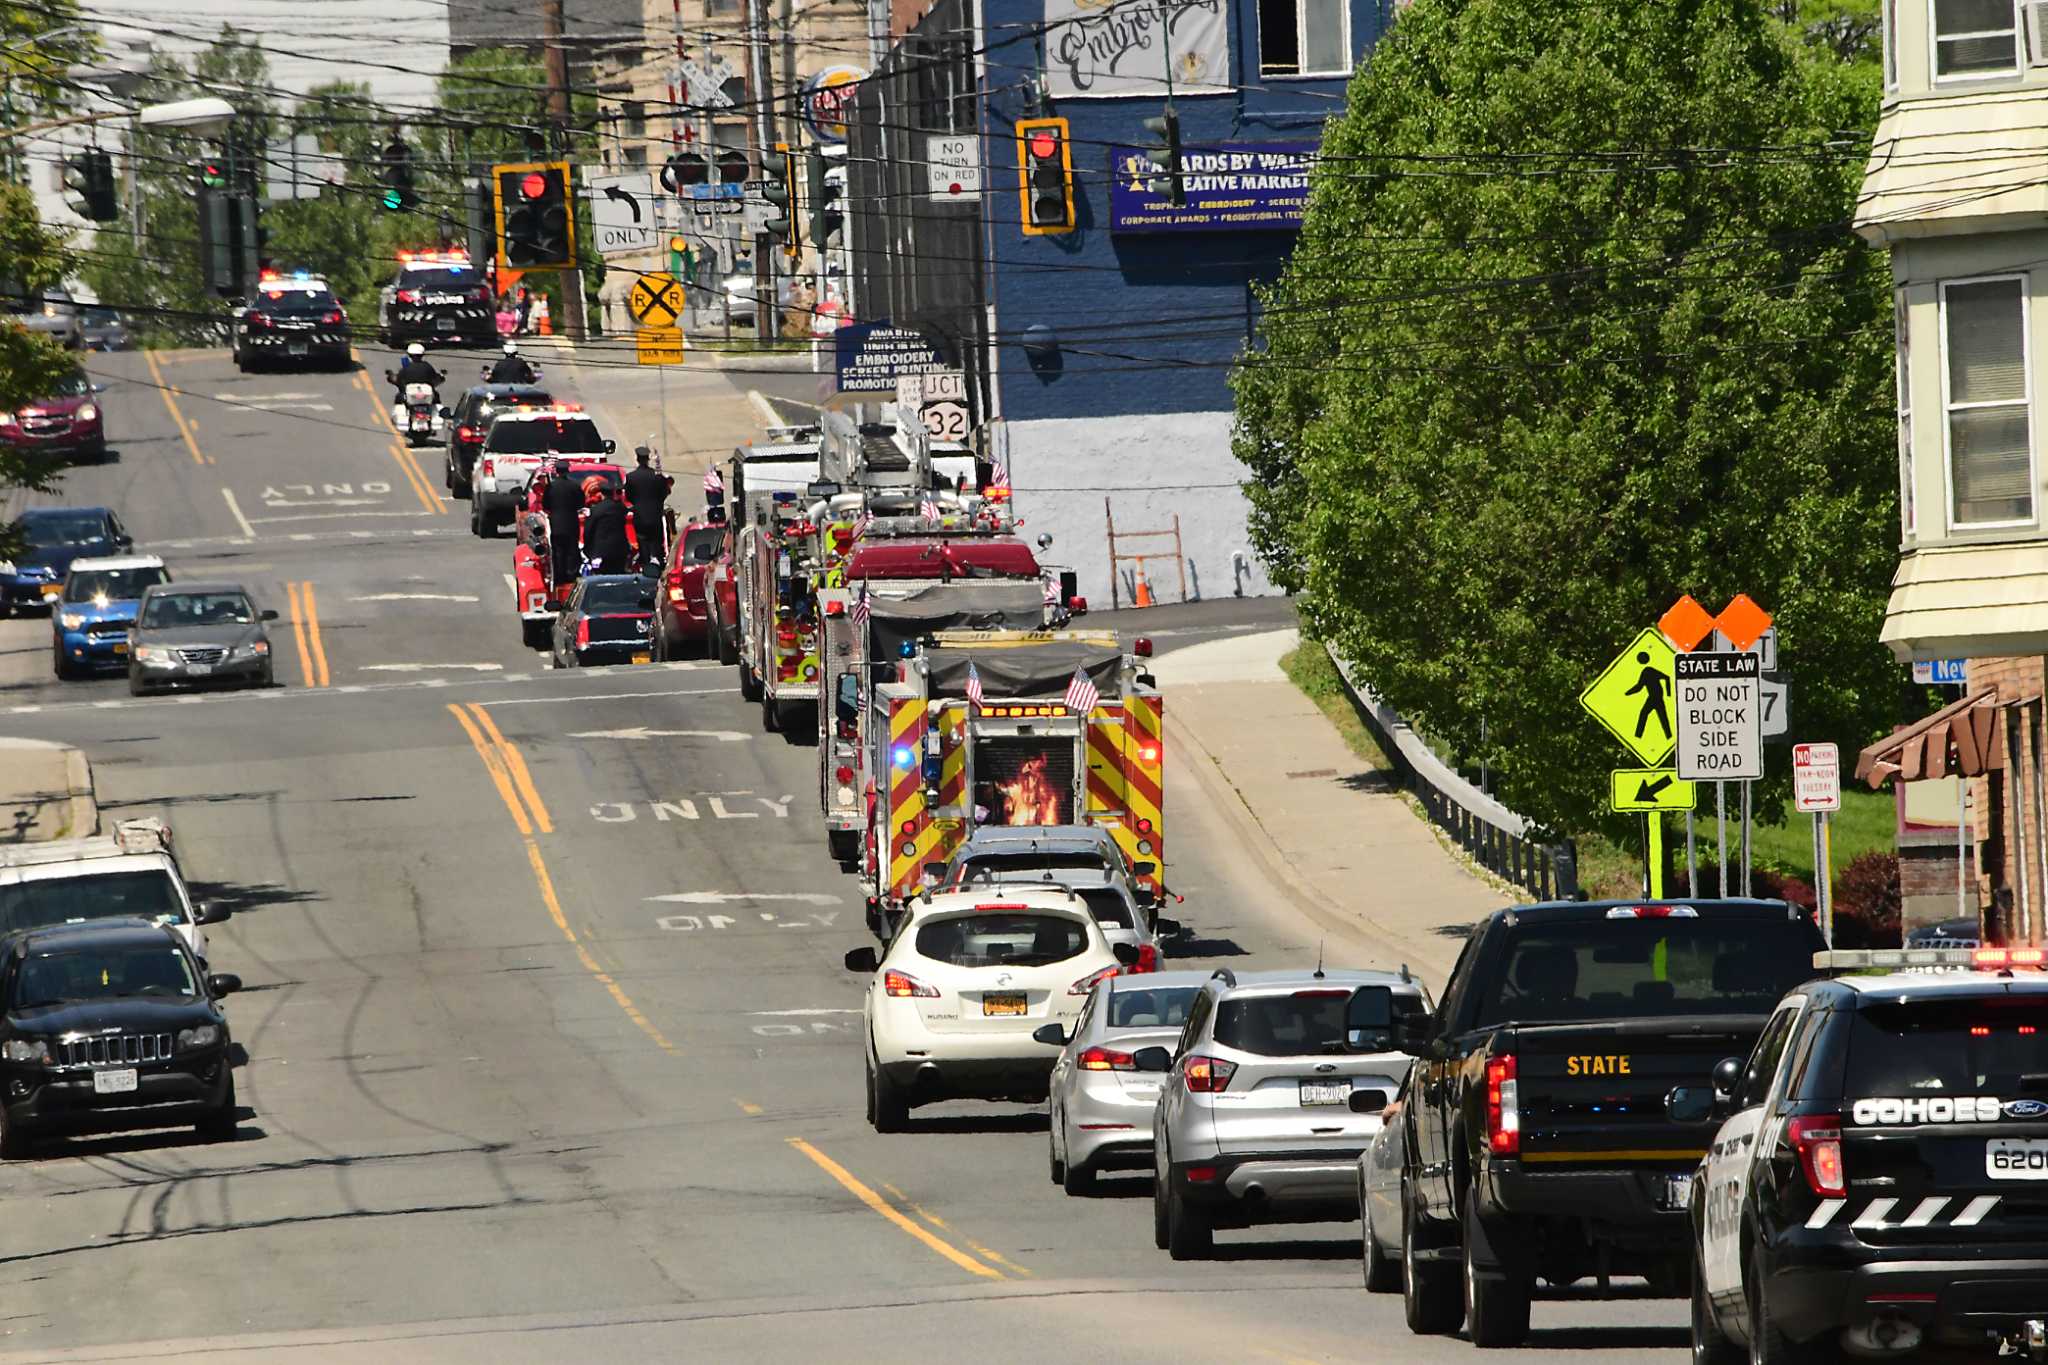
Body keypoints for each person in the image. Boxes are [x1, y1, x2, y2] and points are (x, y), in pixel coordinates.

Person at [624, 446, 672, 573]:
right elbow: (664, 493)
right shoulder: (657, 476)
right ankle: (657, 566)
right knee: (656, 542)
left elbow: (629, 496)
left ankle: (645, 567)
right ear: (647, 459)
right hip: (655, 515)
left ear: (637, 459)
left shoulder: (631, 477)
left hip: (640, 516)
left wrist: (639, 504)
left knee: (643, 543)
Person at [542, 458, 585, 587]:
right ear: (567, 471)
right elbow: (581, 503)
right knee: (572, 549)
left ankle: (560, 577)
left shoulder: (551, 487)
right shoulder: (574, 486)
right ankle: (571, 577)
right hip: (571, 522)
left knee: (558, 551)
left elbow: (546, 504)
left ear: (556, 471)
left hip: (556, 523)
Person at [582, 477, 632, 574]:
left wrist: (587, 550)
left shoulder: (596, 510)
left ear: (601, 493)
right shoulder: (620, 508)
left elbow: (588, 530)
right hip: (620, 549)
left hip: (601, 552)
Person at [391, 343, 444, 421]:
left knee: (399, 397)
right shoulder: (427, 366)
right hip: (426, 399)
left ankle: (398, 417)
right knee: (436, 396)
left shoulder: (407, 368)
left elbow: (399, 379)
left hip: (410, 399)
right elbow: (435, 377)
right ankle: (437, 416)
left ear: (409, 355)